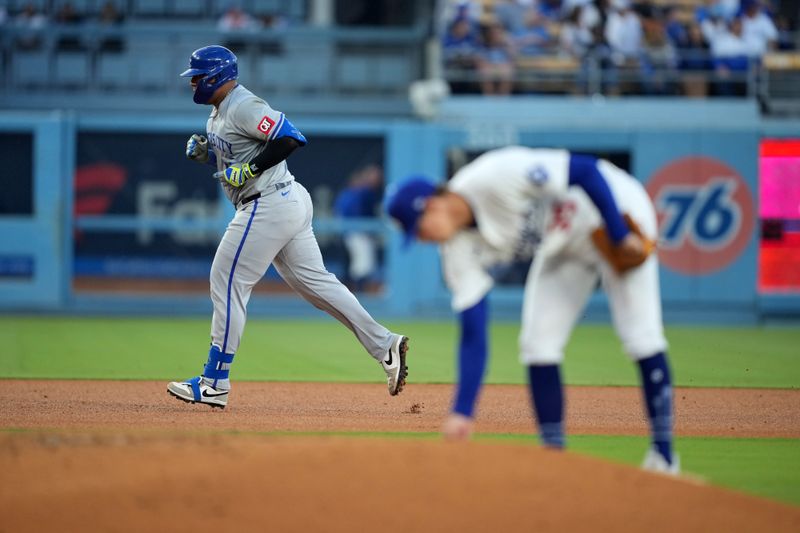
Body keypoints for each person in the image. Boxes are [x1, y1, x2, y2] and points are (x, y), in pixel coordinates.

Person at [386, 146, 679, 474]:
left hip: (612, 207)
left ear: (431, 204)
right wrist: (463, 411)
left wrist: (620, 232)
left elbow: (586, 171)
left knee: (641, 336)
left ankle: (664, 456)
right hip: (562, 245)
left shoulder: (494, 175)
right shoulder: (455, 253)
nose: (423, 240)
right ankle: (553, 457)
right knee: (538, 344)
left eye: (420, 229)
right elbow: (474, 333)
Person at [167, 45, 409, 408]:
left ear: (217, 76)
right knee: (317, 286)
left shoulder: (243, 104)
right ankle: (385, 343)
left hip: (268, 204)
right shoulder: (217, 115)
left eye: (198, 78)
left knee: (227, 280)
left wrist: (249, 169)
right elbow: (236, 162)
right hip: (282, 200)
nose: (193, 84)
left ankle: (214, 381)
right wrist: (209, 156)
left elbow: (291, 136)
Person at [333, 165, 384, 292]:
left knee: (356, 264)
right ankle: (356, 293)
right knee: (362, 264)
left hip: (350, 233)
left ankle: (352, 292)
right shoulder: (360, 193)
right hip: (357, 232)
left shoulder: (353, 193)